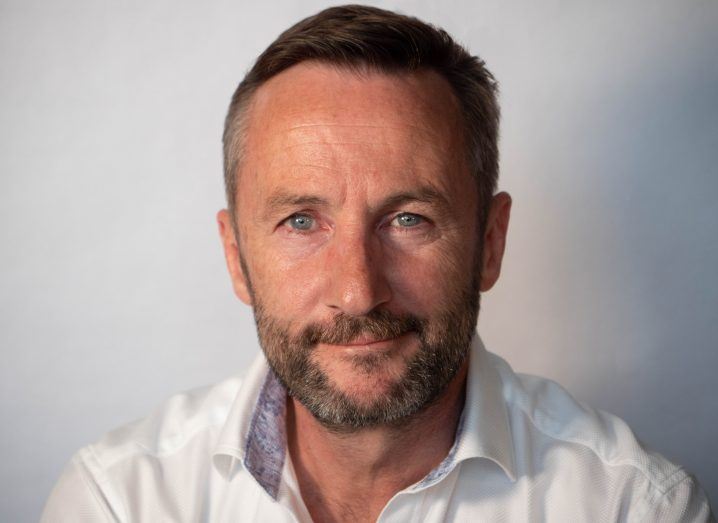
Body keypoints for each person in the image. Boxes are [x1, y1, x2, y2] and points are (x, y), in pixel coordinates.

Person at [42, 5, 713, 522]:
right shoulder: (119, 501)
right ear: (235, 256)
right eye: (301, 221)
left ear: (489, 241)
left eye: (408, 219)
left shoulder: (634, 506)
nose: (359, 292)